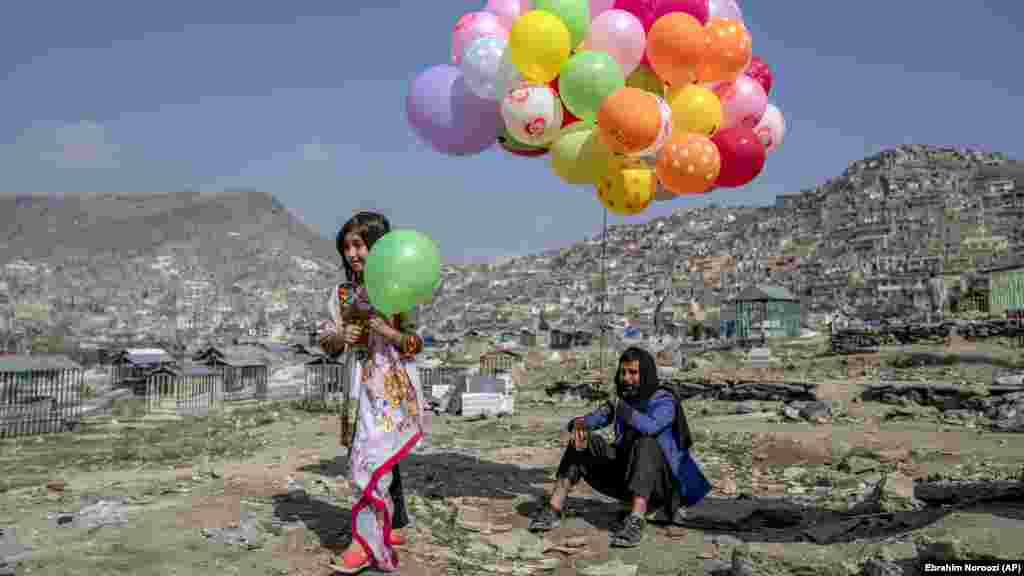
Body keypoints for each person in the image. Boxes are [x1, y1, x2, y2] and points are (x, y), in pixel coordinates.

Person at [318, 211, 426, 573]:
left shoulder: (399, 292)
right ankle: (385, 526)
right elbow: (327, 342)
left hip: (391, 392)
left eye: (359, 245)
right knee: (367, 459)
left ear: (378, 248)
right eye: (346, 246)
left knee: (374, 461)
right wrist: (338, 337)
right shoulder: (341, 293)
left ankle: (365, 542)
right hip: (358, 390)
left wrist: (389, 332)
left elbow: (415, 342)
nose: (352, 253)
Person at [528, 346, 711, 548]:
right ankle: (554, 508)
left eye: (633, 373)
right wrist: (578, 425)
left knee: (646, 443)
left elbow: (651, 427)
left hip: (663, 485)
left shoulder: (664, 400)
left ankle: (636, 519)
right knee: (586, 440)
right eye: (623, 372)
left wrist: (622, 408)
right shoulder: (624, 400)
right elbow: (595, 418)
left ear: (645, 374)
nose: (626, 378)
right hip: (627, 479)